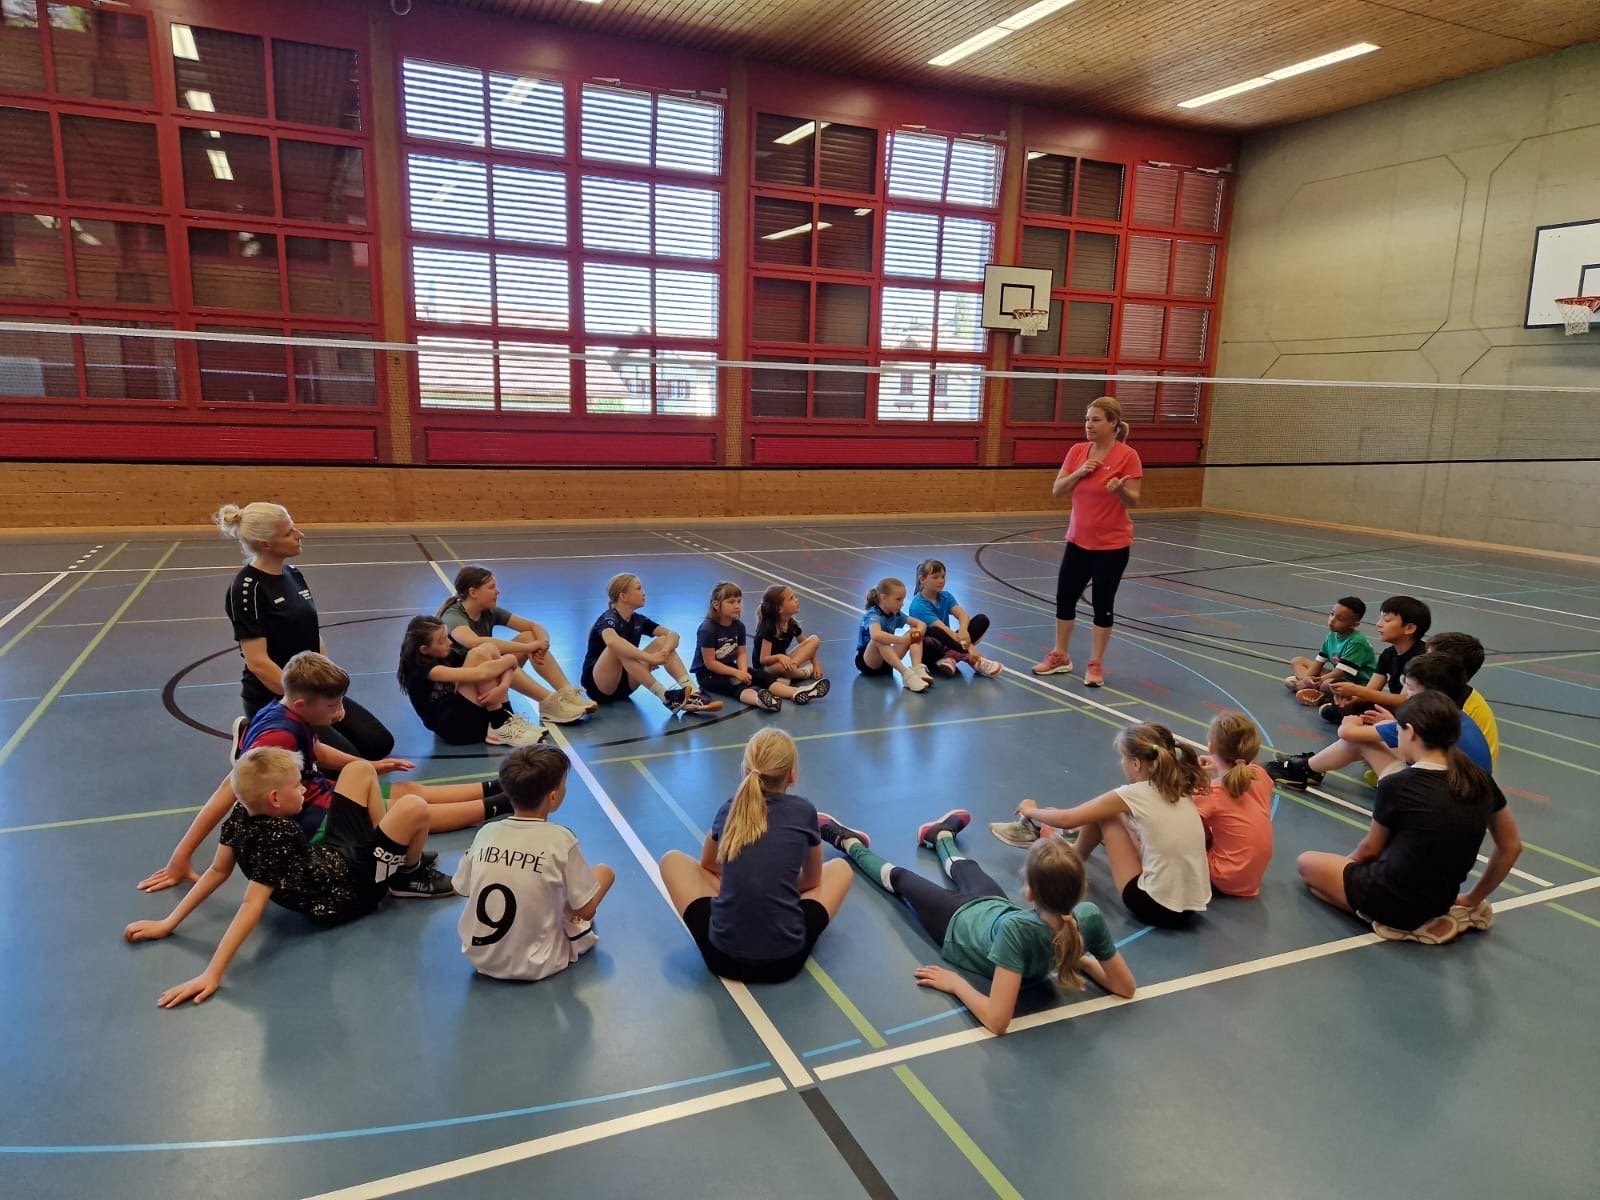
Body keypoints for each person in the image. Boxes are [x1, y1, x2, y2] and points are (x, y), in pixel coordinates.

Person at [136, 652, 509, 893]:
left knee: (408, 789)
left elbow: (314, 750)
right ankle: (506, 802)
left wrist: (369, 766)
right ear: (302, 703)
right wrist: (182, 855)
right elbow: (228, 789)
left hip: (321, 790)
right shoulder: (277, 736)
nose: (340, 712)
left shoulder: (286, 711)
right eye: (333, 705)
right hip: (316, 816)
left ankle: (501, 786)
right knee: (408, 810)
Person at [124, 747, 456, 1008]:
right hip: (350, 892)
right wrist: (212, 973)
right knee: (414, 806)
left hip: (332, 861)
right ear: (275, 799)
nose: (304, 790)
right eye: (298, 786)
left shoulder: (240, 814)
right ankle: (407, 875)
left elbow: (216, 871)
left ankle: (387, 854)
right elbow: (251, 905)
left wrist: (168, 922)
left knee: (359, 769)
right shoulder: (279, 835)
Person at [818, 809, 1135, 1035]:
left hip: (956, 924)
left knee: (901, 879)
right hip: (994, 908)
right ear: (1083, 887)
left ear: (1028, 893)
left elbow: (997, 1021)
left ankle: (848, 843)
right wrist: (1078, 957)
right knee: (966, 868)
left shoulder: (1017, 931)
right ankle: (940, 835)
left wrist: (955, 983)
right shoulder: (1088, 917)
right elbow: (1125, 987)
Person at [1295, 690, 1522, 944]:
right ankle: (1420, 916)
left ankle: (1388, 921)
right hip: (1441, 900)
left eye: (1398, 730)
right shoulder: (1480, 780)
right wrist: (1471, 899)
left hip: (1394, 899)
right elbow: (1511, 846)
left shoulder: (1398, 784)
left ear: (1410, 732)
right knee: (1331, 881)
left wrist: (1346, 869)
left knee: (1307, 864)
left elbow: (1369, 850)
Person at [658, 728, 852, 983]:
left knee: (672, 859)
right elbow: (813, 880)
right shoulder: (805, 812)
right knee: (840, 868)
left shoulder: (730, 808)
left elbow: (707, 863)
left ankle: (741, 896)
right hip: (786, 963)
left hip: (721, 958)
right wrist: (776, 882)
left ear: (746, 770)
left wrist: (745, 878)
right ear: (791, 775)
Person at [216, 501, 394, 760]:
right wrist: (308, 703)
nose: (300, 535)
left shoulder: (293, 574)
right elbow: (258, 663)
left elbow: (312, 635)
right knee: (344, 763)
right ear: (266, 544)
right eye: (289, 533)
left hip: (312, 691)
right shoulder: (247, 588)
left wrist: (331, 694)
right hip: (279, 697)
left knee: (378, 744)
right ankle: (254, 734)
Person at [995, 723, 1211, 930]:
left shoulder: (1135, 794)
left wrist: (1031, 810)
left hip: (1154, 906)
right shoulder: (1178, 788)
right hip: (1190, 907)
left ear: (1136, 763)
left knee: (1107, 816)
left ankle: (1073, 857)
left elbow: (1068, 819)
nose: (1121, 763)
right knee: (1112, 814)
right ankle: (1074, 851)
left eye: (1123, 758)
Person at [453, 745, 615, 981]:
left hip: (481, 958)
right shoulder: (561, 839)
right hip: (539, 963)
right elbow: (586, 911)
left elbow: (462, 887)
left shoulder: (486, 832)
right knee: (604, 872)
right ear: (553, 797)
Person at [1032, 396, 1142, 688]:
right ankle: (1060, 655)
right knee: (1064, 600)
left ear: (1113, 423)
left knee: (1102, 605)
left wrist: (1119, 490)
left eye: (1096, 420)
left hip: (1112, 547)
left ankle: (1095, 663)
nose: (1089, 425)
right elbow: (1058, 490)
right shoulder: (1077, 451)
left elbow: (1134, 500)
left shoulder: (1128, 456)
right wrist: (1080, 472)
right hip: (1078, 542)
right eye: (1087, 419)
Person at [1267, 652, 1492, 790]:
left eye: (1410, 689)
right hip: (1463, 795)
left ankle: (1304, 770)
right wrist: (1392, 723)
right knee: (1379, 730)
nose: (1406, 695)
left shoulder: (1422, 720)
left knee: (1360, 740)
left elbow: (1348, 733)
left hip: (1433, 797)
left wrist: (1351, 721)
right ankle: (1311, 766)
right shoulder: (1455, 715)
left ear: (1429, 693)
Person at [436, 565, 592, 725]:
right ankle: (548, 702)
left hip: (485, 677)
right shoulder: (453, 616)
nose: (498, 591)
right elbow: (473, 642)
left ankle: (566, 692)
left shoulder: (488, 611)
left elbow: (533, 626)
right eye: (491, 587)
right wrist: (527, 648)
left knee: (529, 636)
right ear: (473, 592)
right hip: (463, 687)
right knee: (497, 658)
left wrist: (543, 643)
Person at [580, 573, 721, 716]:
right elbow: (612, 641)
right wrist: (649, 658)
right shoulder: (608, 618)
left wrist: (664, 651)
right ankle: (666, 697)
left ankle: (693, 694)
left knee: (663, 640)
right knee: (618, 647)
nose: (644, 593)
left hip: (626, 684)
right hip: (599, 686)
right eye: (638, 588)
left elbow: (673, 635)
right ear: (623, 596)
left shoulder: (638, 620)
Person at [396, 615, 545, 746]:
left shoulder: (447, 654)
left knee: (487, 648)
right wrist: (510, 659)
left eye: (447, 637)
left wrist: (503, 686)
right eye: (442, 641)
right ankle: (500, 724)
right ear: (424, 649)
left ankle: (505, 720)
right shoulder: (420, 670)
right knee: (479, 655)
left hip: (465, 712)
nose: (449, 642)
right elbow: (481, 674)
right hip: (454, 728)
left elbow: (496, 661)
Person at [694, 582, 829, 712]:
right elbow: (710, 663)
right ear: (716, 605)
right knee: (736, 684)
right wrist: (737, 673)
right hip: (708, 675)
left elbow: (741, 653)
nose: (737, 606)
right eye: (731, 602)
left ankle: (797, 692)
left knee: (763, 677)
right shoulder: (708, 629)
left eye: (739, 601)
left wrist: (743, 671)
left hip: (729, 667)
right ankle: (759, 700)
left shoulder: (738, 626)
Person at [1194, 712, 1274, 898]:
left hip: (1224, 877)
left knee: (1186, 821)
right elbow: (1238, 773)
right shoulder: (1260, 774)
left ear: (1211, 747)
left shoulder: (1211, 792)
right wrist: (1217, 764)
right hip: (1251, 875)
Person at [1317, 595, 1430, 725]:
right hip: (1398, 709)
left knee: (1347, 727)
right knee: (1338, 703)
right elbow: (1371, 690)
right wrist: (1351, 699)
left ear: (1409, 628)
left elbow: (1404, 700)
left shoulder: (1421, 658)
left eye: (1387, 620)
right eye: (1380, 619)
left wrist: (1356, 690)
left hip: (1418, 712)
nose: (1379, 624)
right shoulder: (1388, 654)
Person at [909, 559, 1002, 678]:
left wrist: (963, 630)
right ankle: (972, 660)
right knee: (935, 630)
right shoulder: (918, 605)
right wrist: (970, 648)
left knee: (981, 620)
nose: (941, 581)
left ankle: (949, 658)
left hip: (947, 643)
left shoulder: (945, 596)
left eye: (943, 577)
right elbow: (944, 630)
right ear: (922, 580)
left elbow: (963, 615)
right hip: (929, 651)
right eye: (935, 577)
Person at [1426, 632, 1500, 770]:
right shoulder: (1442, 693)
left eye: (1428, 658)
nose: (1420, 661)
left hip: (1460, 776)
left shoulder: (1461, 709)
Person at [1286, 596, 1378, 706]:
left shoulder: (1357, 642)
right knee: (1297, 661)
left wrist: (1318, 680)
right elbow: (1318, 663)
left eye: (1341, 619)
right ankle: (1307, 687)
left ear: (1354, 624)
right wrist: (1306, 679)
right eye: (1332, 614)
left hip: (1357, 683)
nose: (1332, 620)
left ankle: (1315, 692)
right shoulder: (1332, 635)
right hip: (1339, 677)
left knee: (1327, 684)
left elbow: (1340, 672)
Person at [856, 576, 929, 692]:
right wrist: (903, 640)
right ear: (884, 598)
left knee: (913, 631)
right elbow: (875, 635)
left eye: (903, 600)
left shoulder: (896, 614)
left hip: (888, 660)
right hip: (869, 662)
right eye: (898, 599)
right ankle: (907, 675)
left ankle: (917, 668)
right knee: (879, 639)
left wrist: (917, 634)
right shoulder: (873, 614)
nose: (902, 604)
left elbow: (921, 624)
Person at [752, 585, 824, 685]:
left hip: (785, 662)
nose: (796, 600)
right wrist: (779, 657)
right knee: (781, 667)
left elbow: (807, 645)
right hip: (766, 668)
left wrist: (816, 664)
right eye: (791, 598)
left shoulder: (791, 624)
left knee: (814, 640)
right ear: (779, 609)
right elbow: (763, 660)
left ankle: (790, 670)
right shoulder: (768, 628)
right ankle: (804, 674)